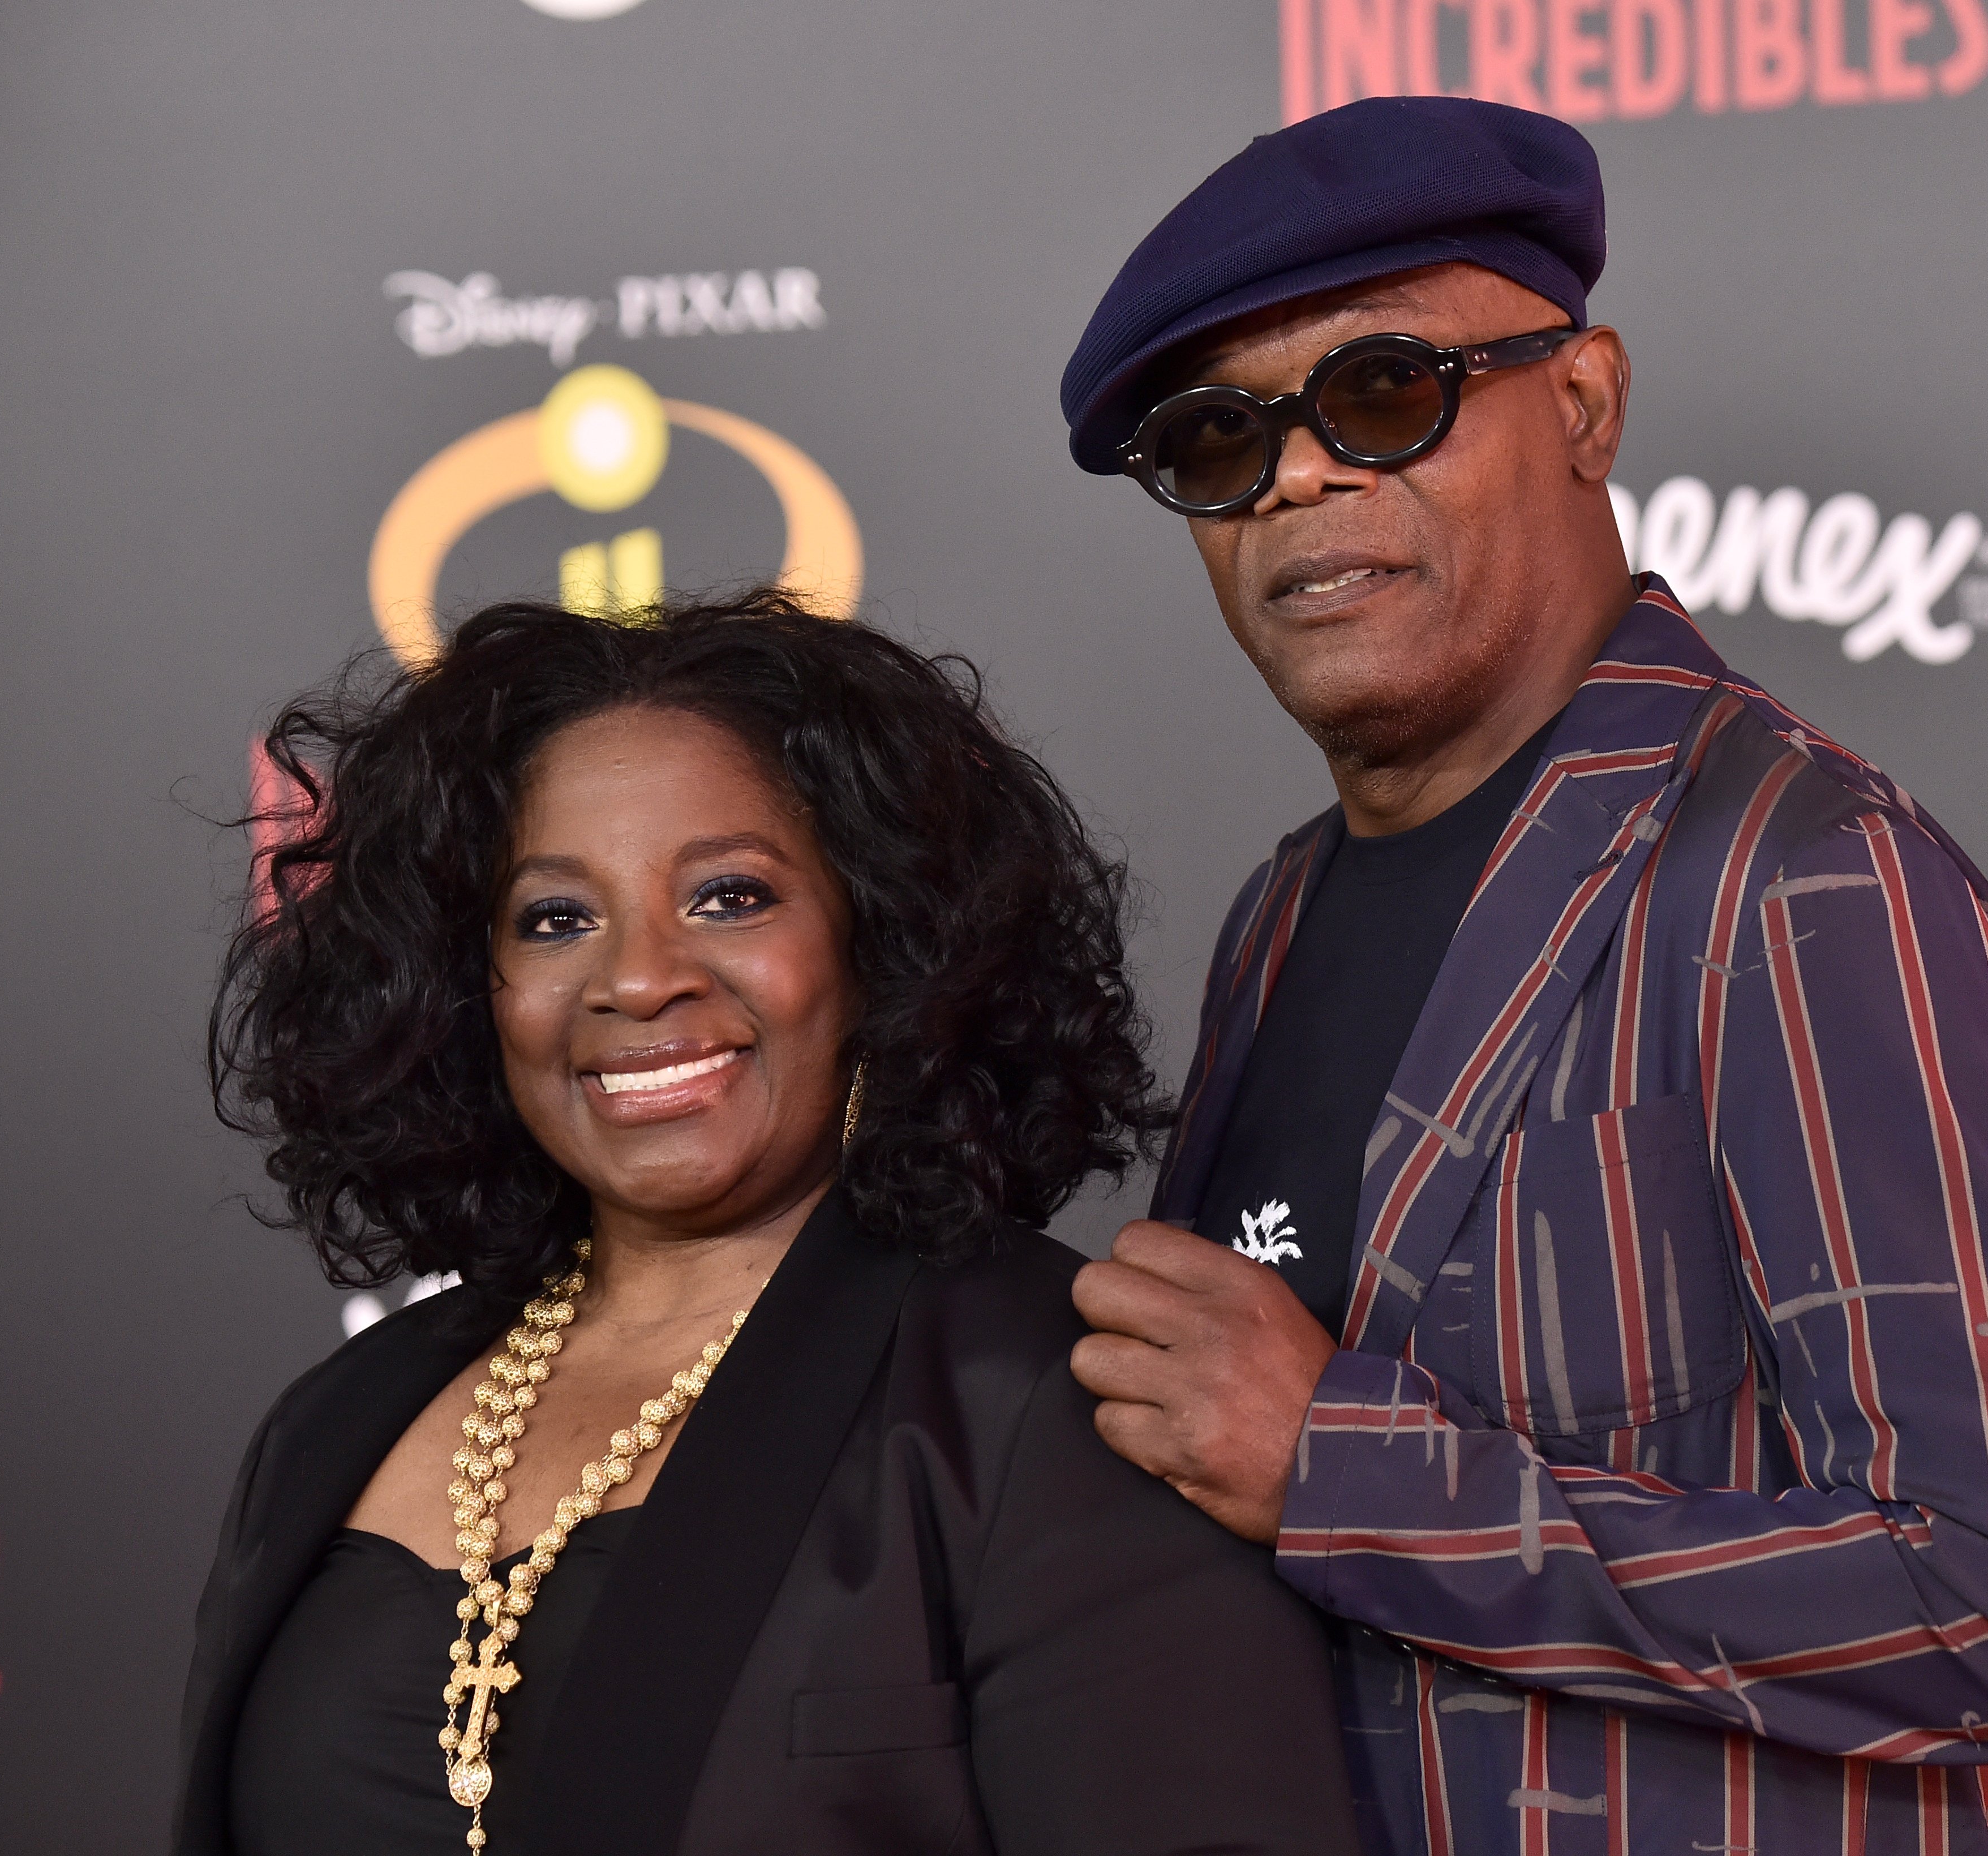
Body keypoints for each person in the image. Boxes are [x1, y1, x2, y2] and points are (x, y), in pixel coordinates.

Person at [1060, 97, 1988, 1855]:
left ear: (1583, 404)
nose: (1295, 476)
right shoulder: (1278, 918)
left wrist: (1348, 1472)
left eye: (1381, 392)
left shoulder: (1803, 876)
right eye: (1214, 441)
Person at [179, 591, 1364, 1856]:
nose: (638, 976)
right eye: (554, 918)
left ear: (887, 940)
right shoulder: (334, 1421)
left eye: (730, 896)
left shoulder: (1052, 1403)